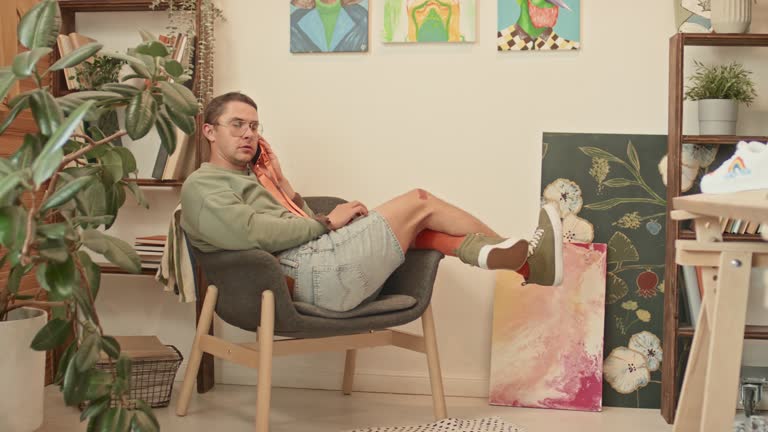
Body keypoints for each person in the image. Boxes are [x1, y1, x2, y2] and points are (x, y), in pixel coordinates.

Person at [181, 92, 564, 313]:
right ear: (210, 131)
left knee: (422, 230)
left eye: (254, 126)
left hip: (314, 271)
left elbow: (285, 218)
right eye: (237, 125)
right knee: (420, 202)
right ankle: (526, 260)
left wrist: (280, 181)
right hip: (311, 276)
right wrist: (328, 222)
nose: (248, 134)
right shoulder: (204, 185)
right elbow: (258, 233)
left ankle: (518, 262)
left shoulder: (253, 179)